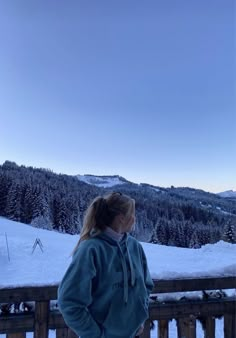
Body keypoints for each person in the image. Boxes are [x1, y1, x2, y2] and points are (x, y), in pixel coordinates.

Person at [58, 192, 153, 338]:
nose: (135, 219)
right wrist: (95, 335)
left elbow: (146, 285)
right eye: (132, 214)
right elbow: (69, 302)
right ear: (121, 218)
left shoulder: (134, 247)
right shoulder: (90, 249)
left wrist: (138, 319)